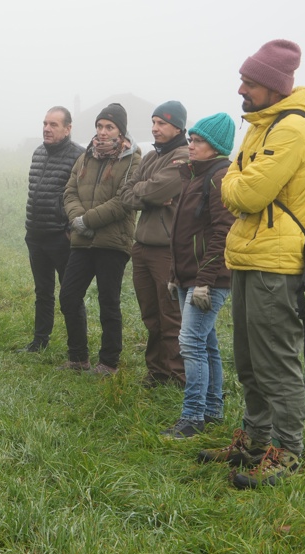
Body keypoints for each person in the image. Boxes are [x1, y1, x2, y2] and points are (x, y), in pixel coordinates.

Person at [199, 39, 305, 488]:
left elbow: (243, 192)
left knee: (277, 364)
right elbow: (237, 180)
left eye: (249, 84)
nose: (241, 91)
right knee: (248, 361)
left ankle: (286, 452)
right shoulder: (259, 127)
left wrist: (231, 179)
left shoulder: (292, 130)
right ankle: (253, 442)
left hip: (278, 263)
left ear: (273, 86)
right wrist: (235, 178)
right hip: (249, 255)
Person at [162, 113, 236, 438]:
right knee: (206, 343)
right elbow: (185, 230)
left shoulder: (219, 177)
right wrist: (175, 273)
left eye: (198, 141)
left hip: (210, 279)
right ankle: (213, 409)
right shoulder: (195, 175)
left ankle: (192, 418)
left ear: (216, 146)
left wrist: (205, 280)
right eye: (191, 139)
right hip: (189, 276)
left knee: (190, 343)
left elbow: (223, 232)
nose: (191, 145)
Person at [59, 103, 142, 376]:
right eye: (99, 126)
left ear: (121, 130)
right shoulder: (86, 157)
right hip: (82, 241)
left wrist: (88, 220)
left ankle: (108, 362)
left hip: (112, 242)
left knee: (109, 302)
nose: (103, 132)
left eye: (109, 127)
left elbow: (123, 203)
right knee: (69, 295)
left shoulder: (132, 159)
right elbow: (69, 191)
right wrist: (77, 219)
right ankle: (78, 357)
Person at [123, 101, 190, 387]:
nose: (155, 128)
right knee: (150, 313)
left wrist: (147, 191)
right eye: (153, 122)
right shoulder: (150, 156)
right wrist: (147, 193)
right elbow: (126, 193)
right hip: (141, 247)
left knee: (170, 315)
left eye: (162, 123)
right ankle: (156, 371)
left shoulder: (184, 156)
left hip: (167, 251)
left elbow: (158, 189)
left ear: (178, 126)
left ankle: (177, 375)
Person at [21, 106, 86, 353]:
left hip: (62, 237)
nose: (47, 129)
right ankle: (40, 341)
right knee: (43, 291)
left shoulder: (79, 157)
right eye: (45, 123)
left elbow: (82, 197)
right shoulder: (38, 153)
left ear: (68, 129)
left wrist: (70, 228)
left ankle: (77, 349)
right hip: (35, 235)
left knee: (70, 294)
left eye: (54, 125)